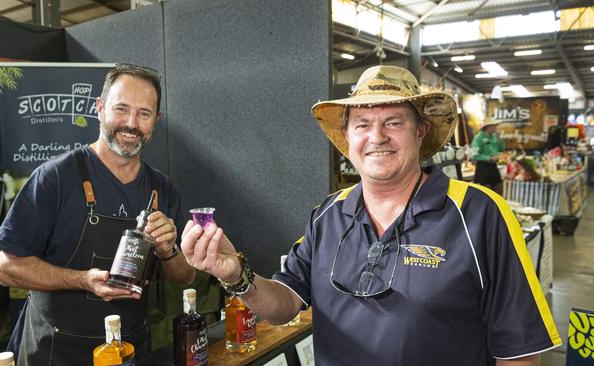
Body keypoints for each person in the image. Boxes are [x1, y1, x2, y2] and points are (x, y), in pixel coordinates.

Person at [180, 66, 562, 365]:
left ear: (420, 131)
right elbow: (284, 305)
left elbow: (519, 351)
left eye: (393, 122)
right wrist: (235, 274)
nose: (376, 136)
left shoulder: (479, 214)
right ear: (348, 138)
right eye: (363, 124)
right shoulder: (327, 215)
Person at [0, 63, 196, 365]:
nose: (131, 123)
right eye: (121, 109)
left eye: (144, 113)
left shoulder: (162, 189)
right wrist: (82, 280)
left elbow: (186, 275)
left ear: (156, 120)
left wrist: (168, 251)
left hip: (131, 349)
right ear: (99, 108)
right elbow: (6, 269)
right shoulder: (55, 177)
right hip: (57, 351)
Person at [472, 118, 506, 194]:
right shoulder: (478, 138)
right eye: (493, 126)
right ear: (488, 127)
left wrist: (500, 139)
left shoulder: (494, 137)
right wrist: (489, 158)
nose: (495, 128)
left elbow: (502, 149)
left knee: (498, 190)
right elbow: (473, 155)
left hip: (493, 167)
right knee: (485, 194)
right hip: (483, 168)